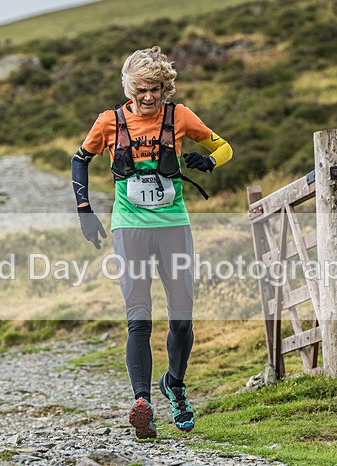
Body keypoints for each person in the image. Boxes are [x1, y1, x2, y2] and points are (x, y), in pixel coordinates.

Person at [71, 46, 233, 439]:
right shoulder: (109, 122)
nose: (149, 97)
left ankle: (174, 385)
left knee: (181, 318)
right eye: (142, 89)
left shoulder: (180, 117)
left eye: (157, 89)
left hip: (174, 226)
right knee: (138, 317)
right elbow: (80, 159)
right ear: (130, 87)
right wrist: (84, 209)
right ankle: (141, 402)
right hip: (130, 229)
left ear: (166, 88)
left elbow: (223, 146)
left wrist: (210, 162)